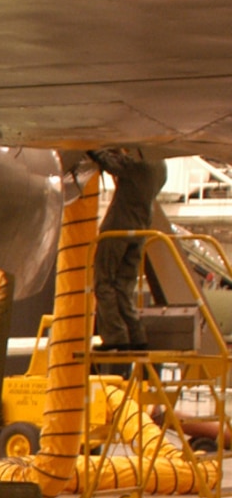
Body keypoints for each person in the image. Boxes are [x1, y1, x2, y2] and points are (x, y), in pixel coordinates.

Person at [87, 147, 168, 351]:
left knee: (104, 281)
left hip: (117, 228)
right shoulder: (161, 168)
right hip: (140, 229)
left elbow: (110, 163)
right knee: (124, 286)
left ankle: (115, 336)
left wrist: (91, 148)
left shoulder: (137, 165)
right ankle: (136, 335)